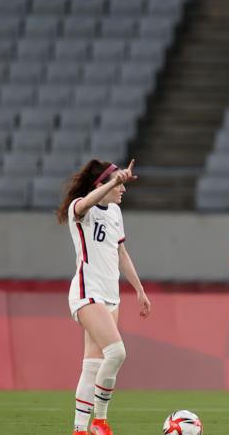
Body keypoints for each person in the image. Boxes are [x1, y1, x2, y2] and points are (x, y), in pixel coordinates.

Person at [56, 159, 151, 435]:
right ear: (102, 184)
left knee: (93, 364)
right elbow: (85, 204)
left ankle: (80, 429)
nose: (122, 190)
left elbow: (121, 253)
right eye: (117, 185)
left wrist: (140, 289)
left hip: (111, 296)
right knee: (117, 352)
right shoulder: (80, 208)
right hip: (87, 293)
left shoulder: (115, 214)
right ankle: (100, 421)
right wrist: (113, 180)